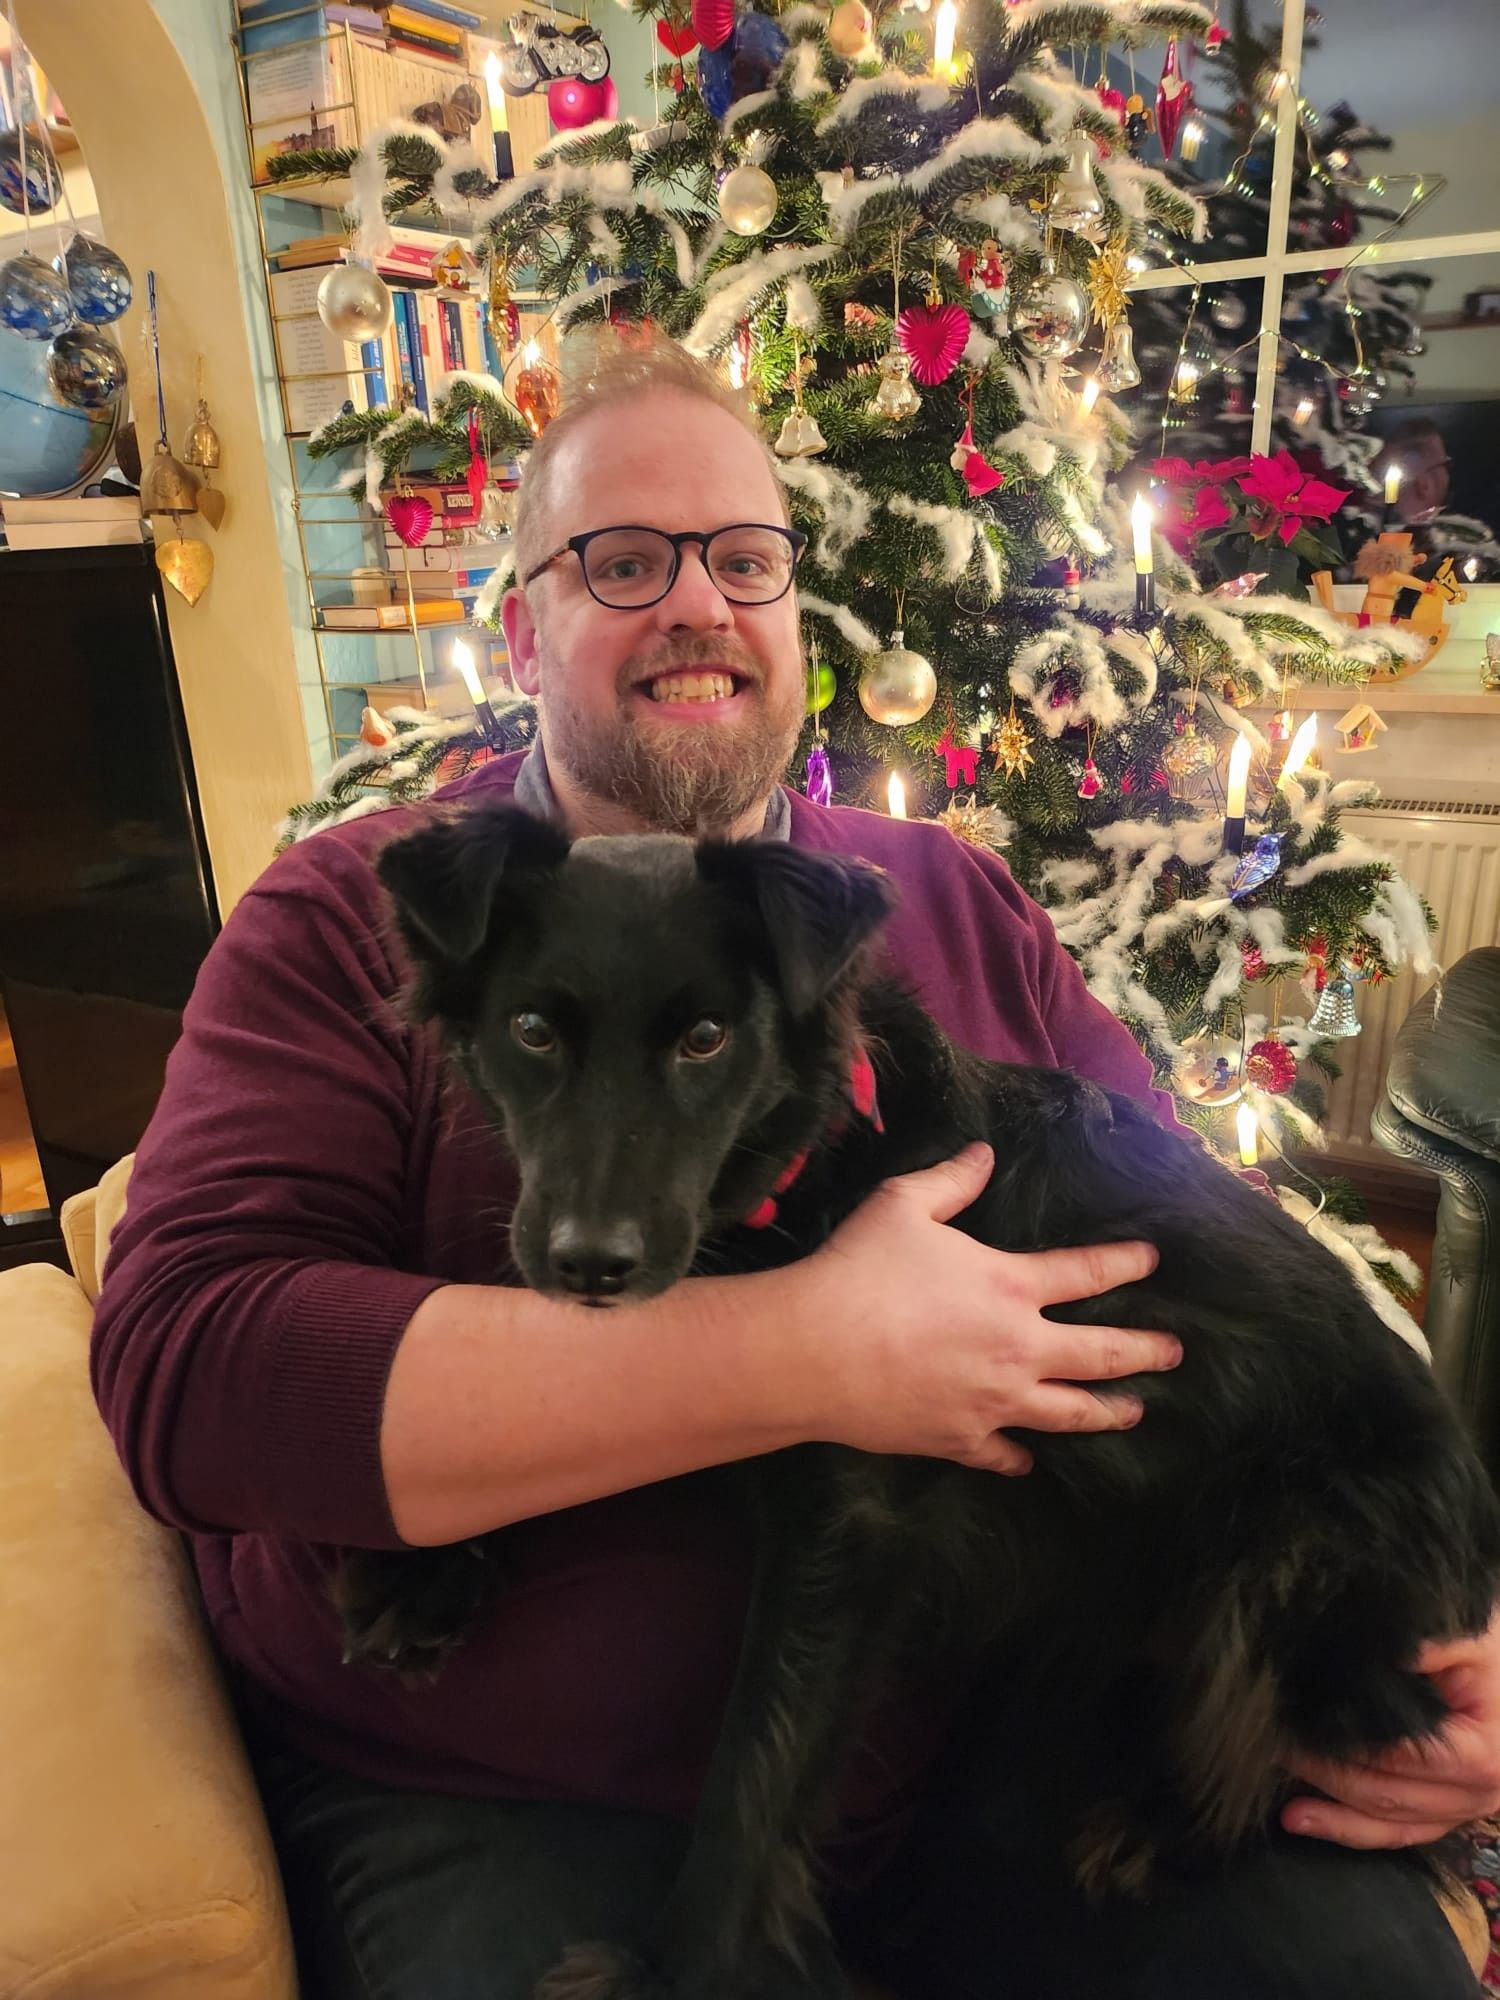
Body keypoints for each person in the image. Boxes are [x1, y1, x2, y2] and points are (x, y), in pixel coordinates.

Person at [92, 336, 1500, 1999]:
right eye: (622, 561)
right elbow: (188, 1370)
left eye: (745, 560)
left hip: (994, 1736)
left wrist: (1449, 1616)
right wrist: (806, 1355)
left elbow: (1201, 1278)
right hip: (508, 1798)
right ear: (526, 616)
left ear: (796, 612)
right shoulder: (365, 912)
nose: (698, 604)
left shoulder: (947, 901)